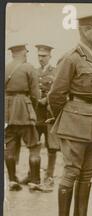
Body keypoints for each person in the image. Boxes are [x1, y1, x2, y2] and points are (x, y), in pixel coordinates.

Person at [48, 13, 92, 216]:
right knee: (72, 171)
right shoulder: (71, 58)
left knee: (87, 173)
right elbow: (56, 95)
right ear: (84, 30)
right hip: (75, 122)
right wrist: (65, 118)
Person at [5, 44, 50, 192]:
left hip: (7, 111)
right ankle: (35, 182)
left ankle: (12, 180)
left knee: (9, 146)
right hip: (24, 109)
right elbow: (36, 94)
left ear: (12, 54)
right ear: (23, 53)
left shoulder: (5, 68)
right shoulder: (29, 67)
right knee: (34, 146)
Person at [20, 44, 59, 190]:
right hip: (36, 115)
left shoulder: (56, 72)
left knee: (52, 148)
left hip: (49, 115)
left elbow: (58, 91)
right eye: (39, 56)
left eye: (44, 56)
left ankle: (49, 176)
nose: (41, 58)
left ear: (50, 56)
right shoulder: (34, 72)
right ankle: (32, 174)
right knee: (34, 145)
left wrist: (47, 100)